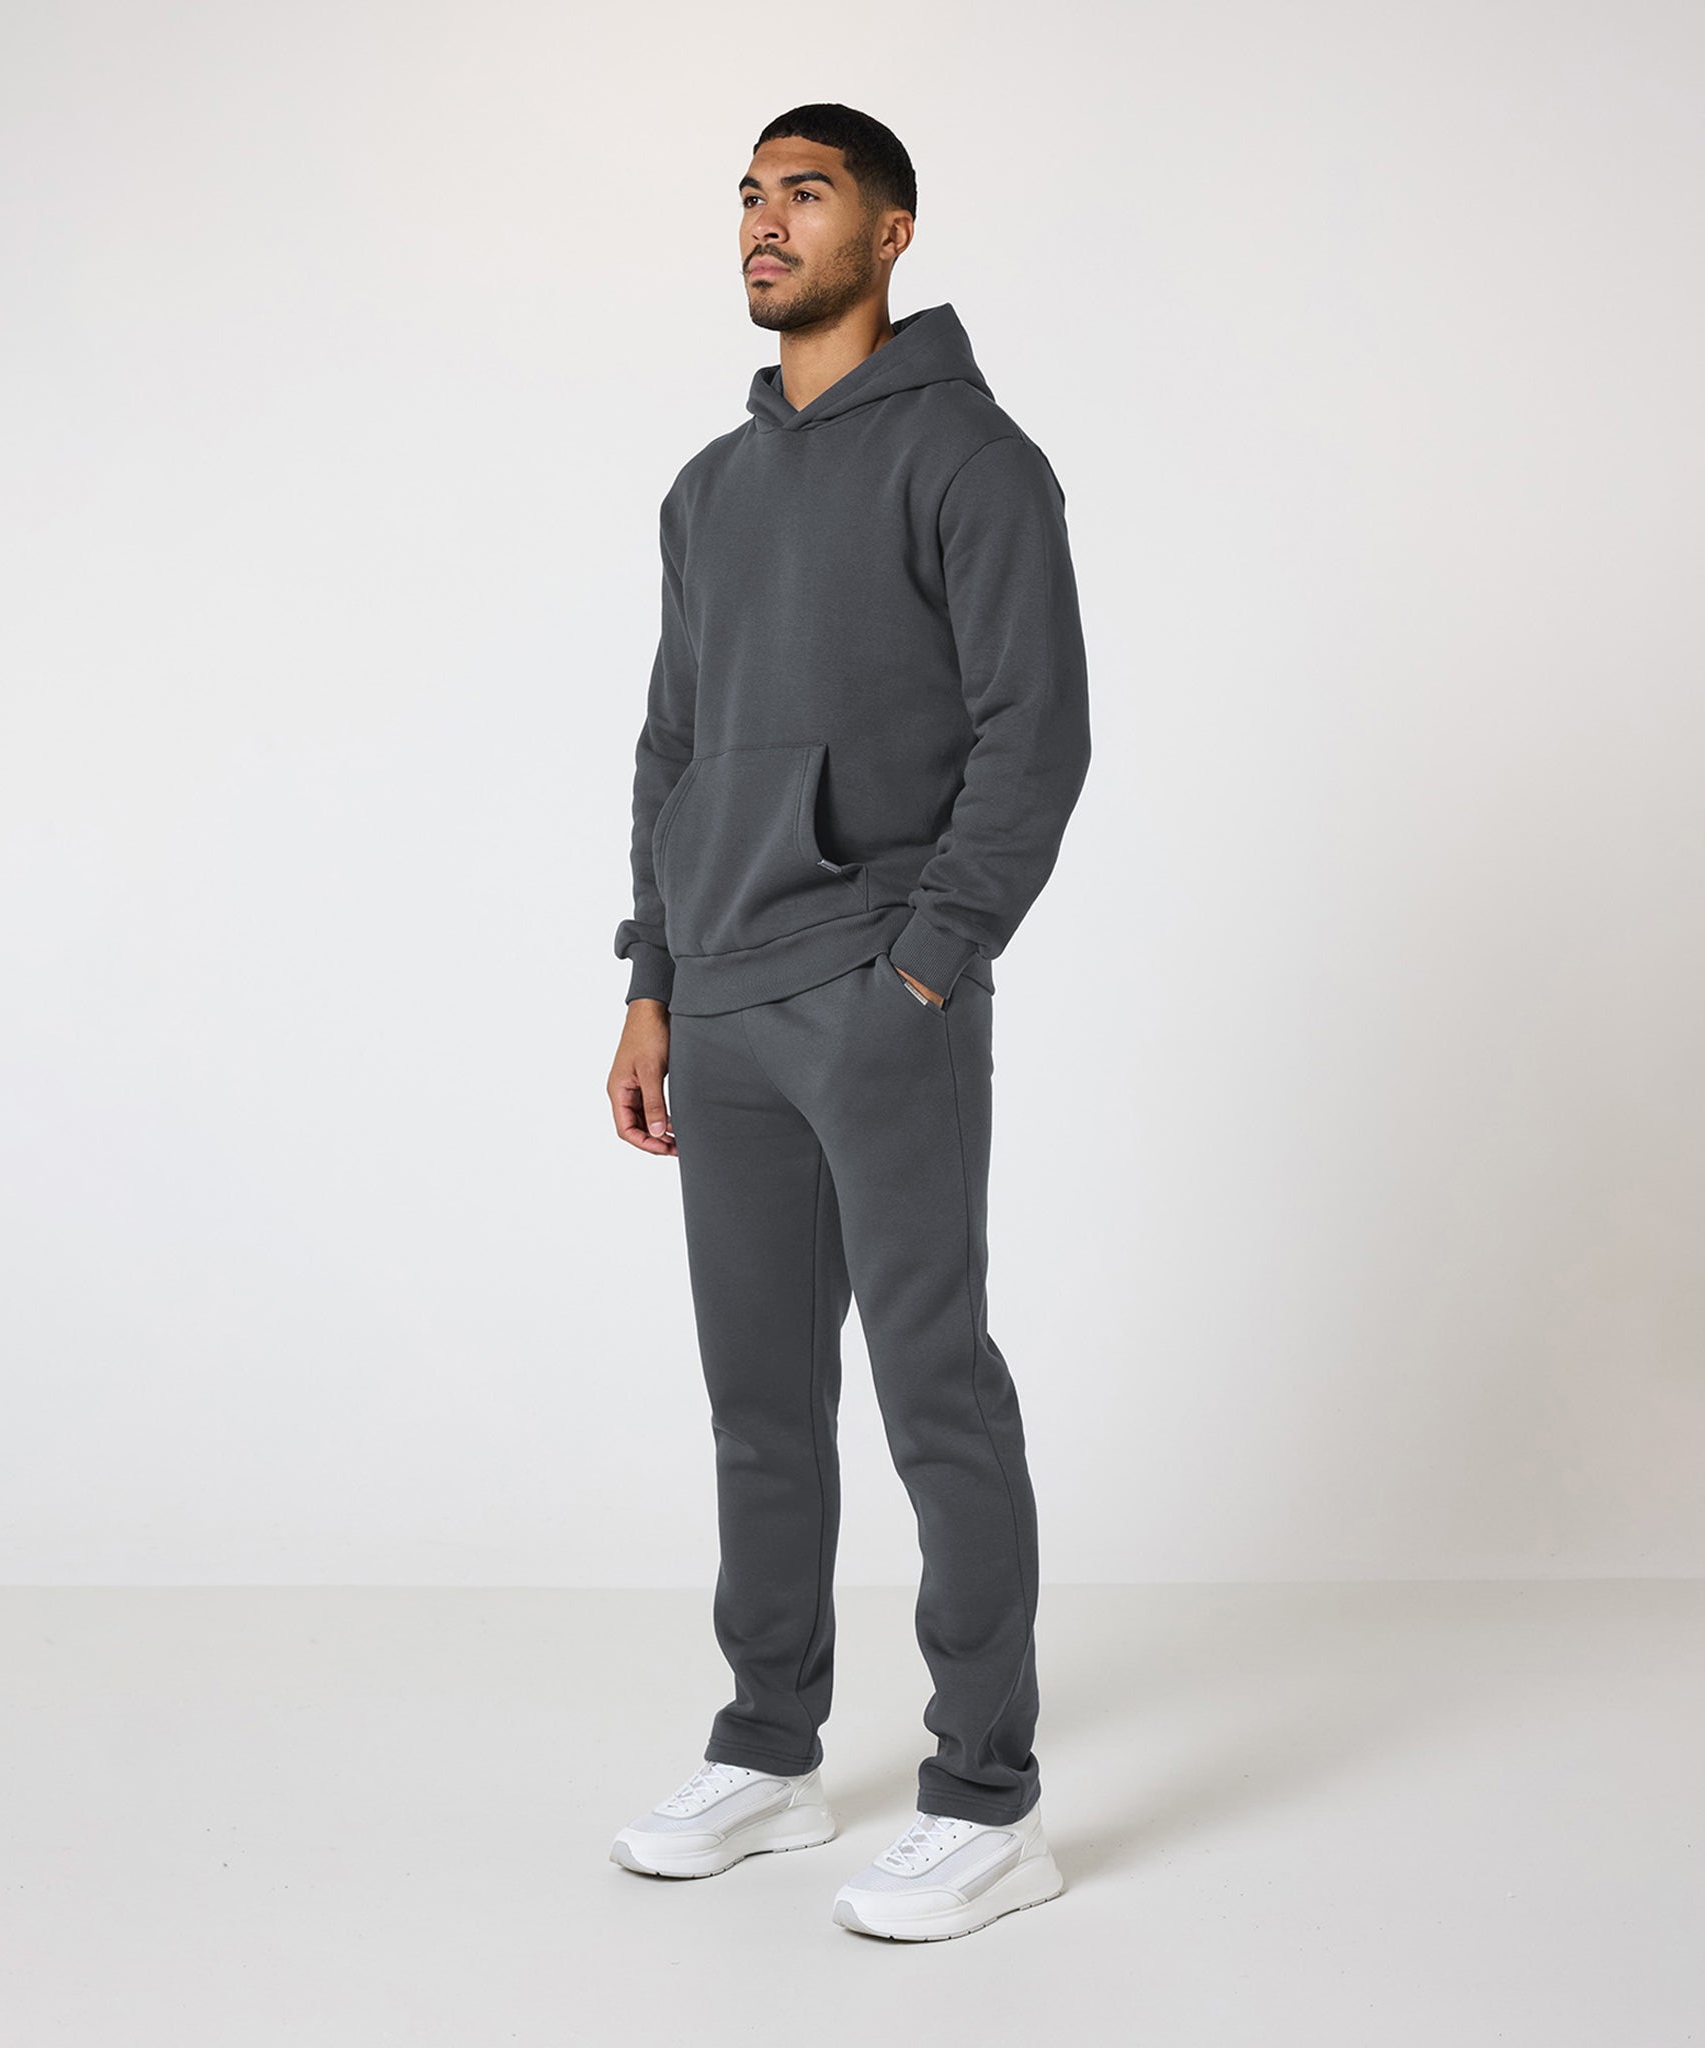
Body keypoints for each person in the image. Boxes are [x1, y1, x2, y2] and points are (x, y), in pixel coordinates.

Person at [603, 102, 1091, 1942]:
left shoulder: (973, 460)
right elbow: (670, 745)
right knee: (759, 1406)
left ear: (889, 232)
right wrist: (649, 980)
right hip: (722, 1004)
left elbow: (1037, 734)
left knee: (933, 1392)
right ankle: (770, 1746)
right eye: (749, 194)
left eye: (804, 194)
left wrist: (932, 962)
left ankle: (988, 1799)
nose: (764, 221)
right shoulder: (707, 491)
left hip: (880, 990)